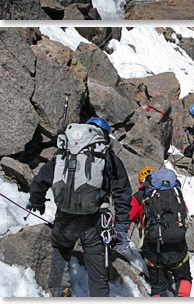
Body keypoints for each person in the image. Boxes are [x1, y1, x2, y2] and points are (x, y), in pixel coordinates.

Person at [26, 117, 132, 297]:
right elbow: (122, 192)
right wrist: (121, 226)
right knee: (96, 265)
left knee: (61, 250)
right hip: (93, 219)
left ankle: (59, 292)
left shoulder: (65, 153)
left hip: (65, 216)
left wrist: (37, 200)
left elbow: (41, 179)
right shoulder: (107, 156)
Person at [129, 167, 192, 297]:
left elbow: (126, 215)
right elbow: (184, 211)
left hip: (154, 249)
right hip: (177, 246)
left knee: (158, 286)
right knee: (184, 278)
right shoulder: (174, 193)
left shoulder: (141, 196)